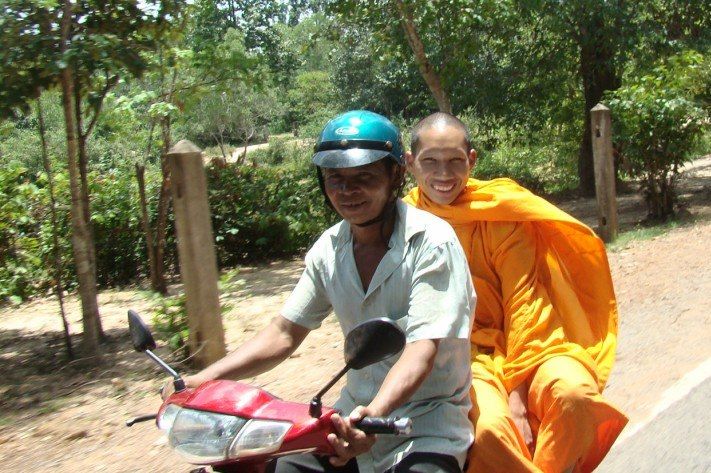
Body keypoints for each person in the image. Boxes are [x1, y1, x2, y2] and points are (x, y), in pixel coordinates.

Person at [167, 110, 476, 473]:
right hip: (347, 424)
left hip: (424, 426)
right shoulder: (328, 250)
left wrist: (374, 414)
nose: (348, 191)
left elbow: (422, 349)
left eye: (364, 176)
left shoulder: (432, 243)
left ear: (395, 175)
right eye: (335, 178)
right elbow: (284, 333)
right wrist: (200, 381)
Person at [403, 112, 628, 473]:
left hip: (530, 343)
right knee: (492, 430)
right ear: (410, 163)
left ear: (472, 160)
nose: (443, 174)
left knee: (574, 396)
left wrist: (518, 394)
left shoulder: (500, 212)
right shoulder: (405, 222)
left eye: (455, 162)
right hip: (461, 353)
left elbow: (523, 302)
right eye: (430, 161)